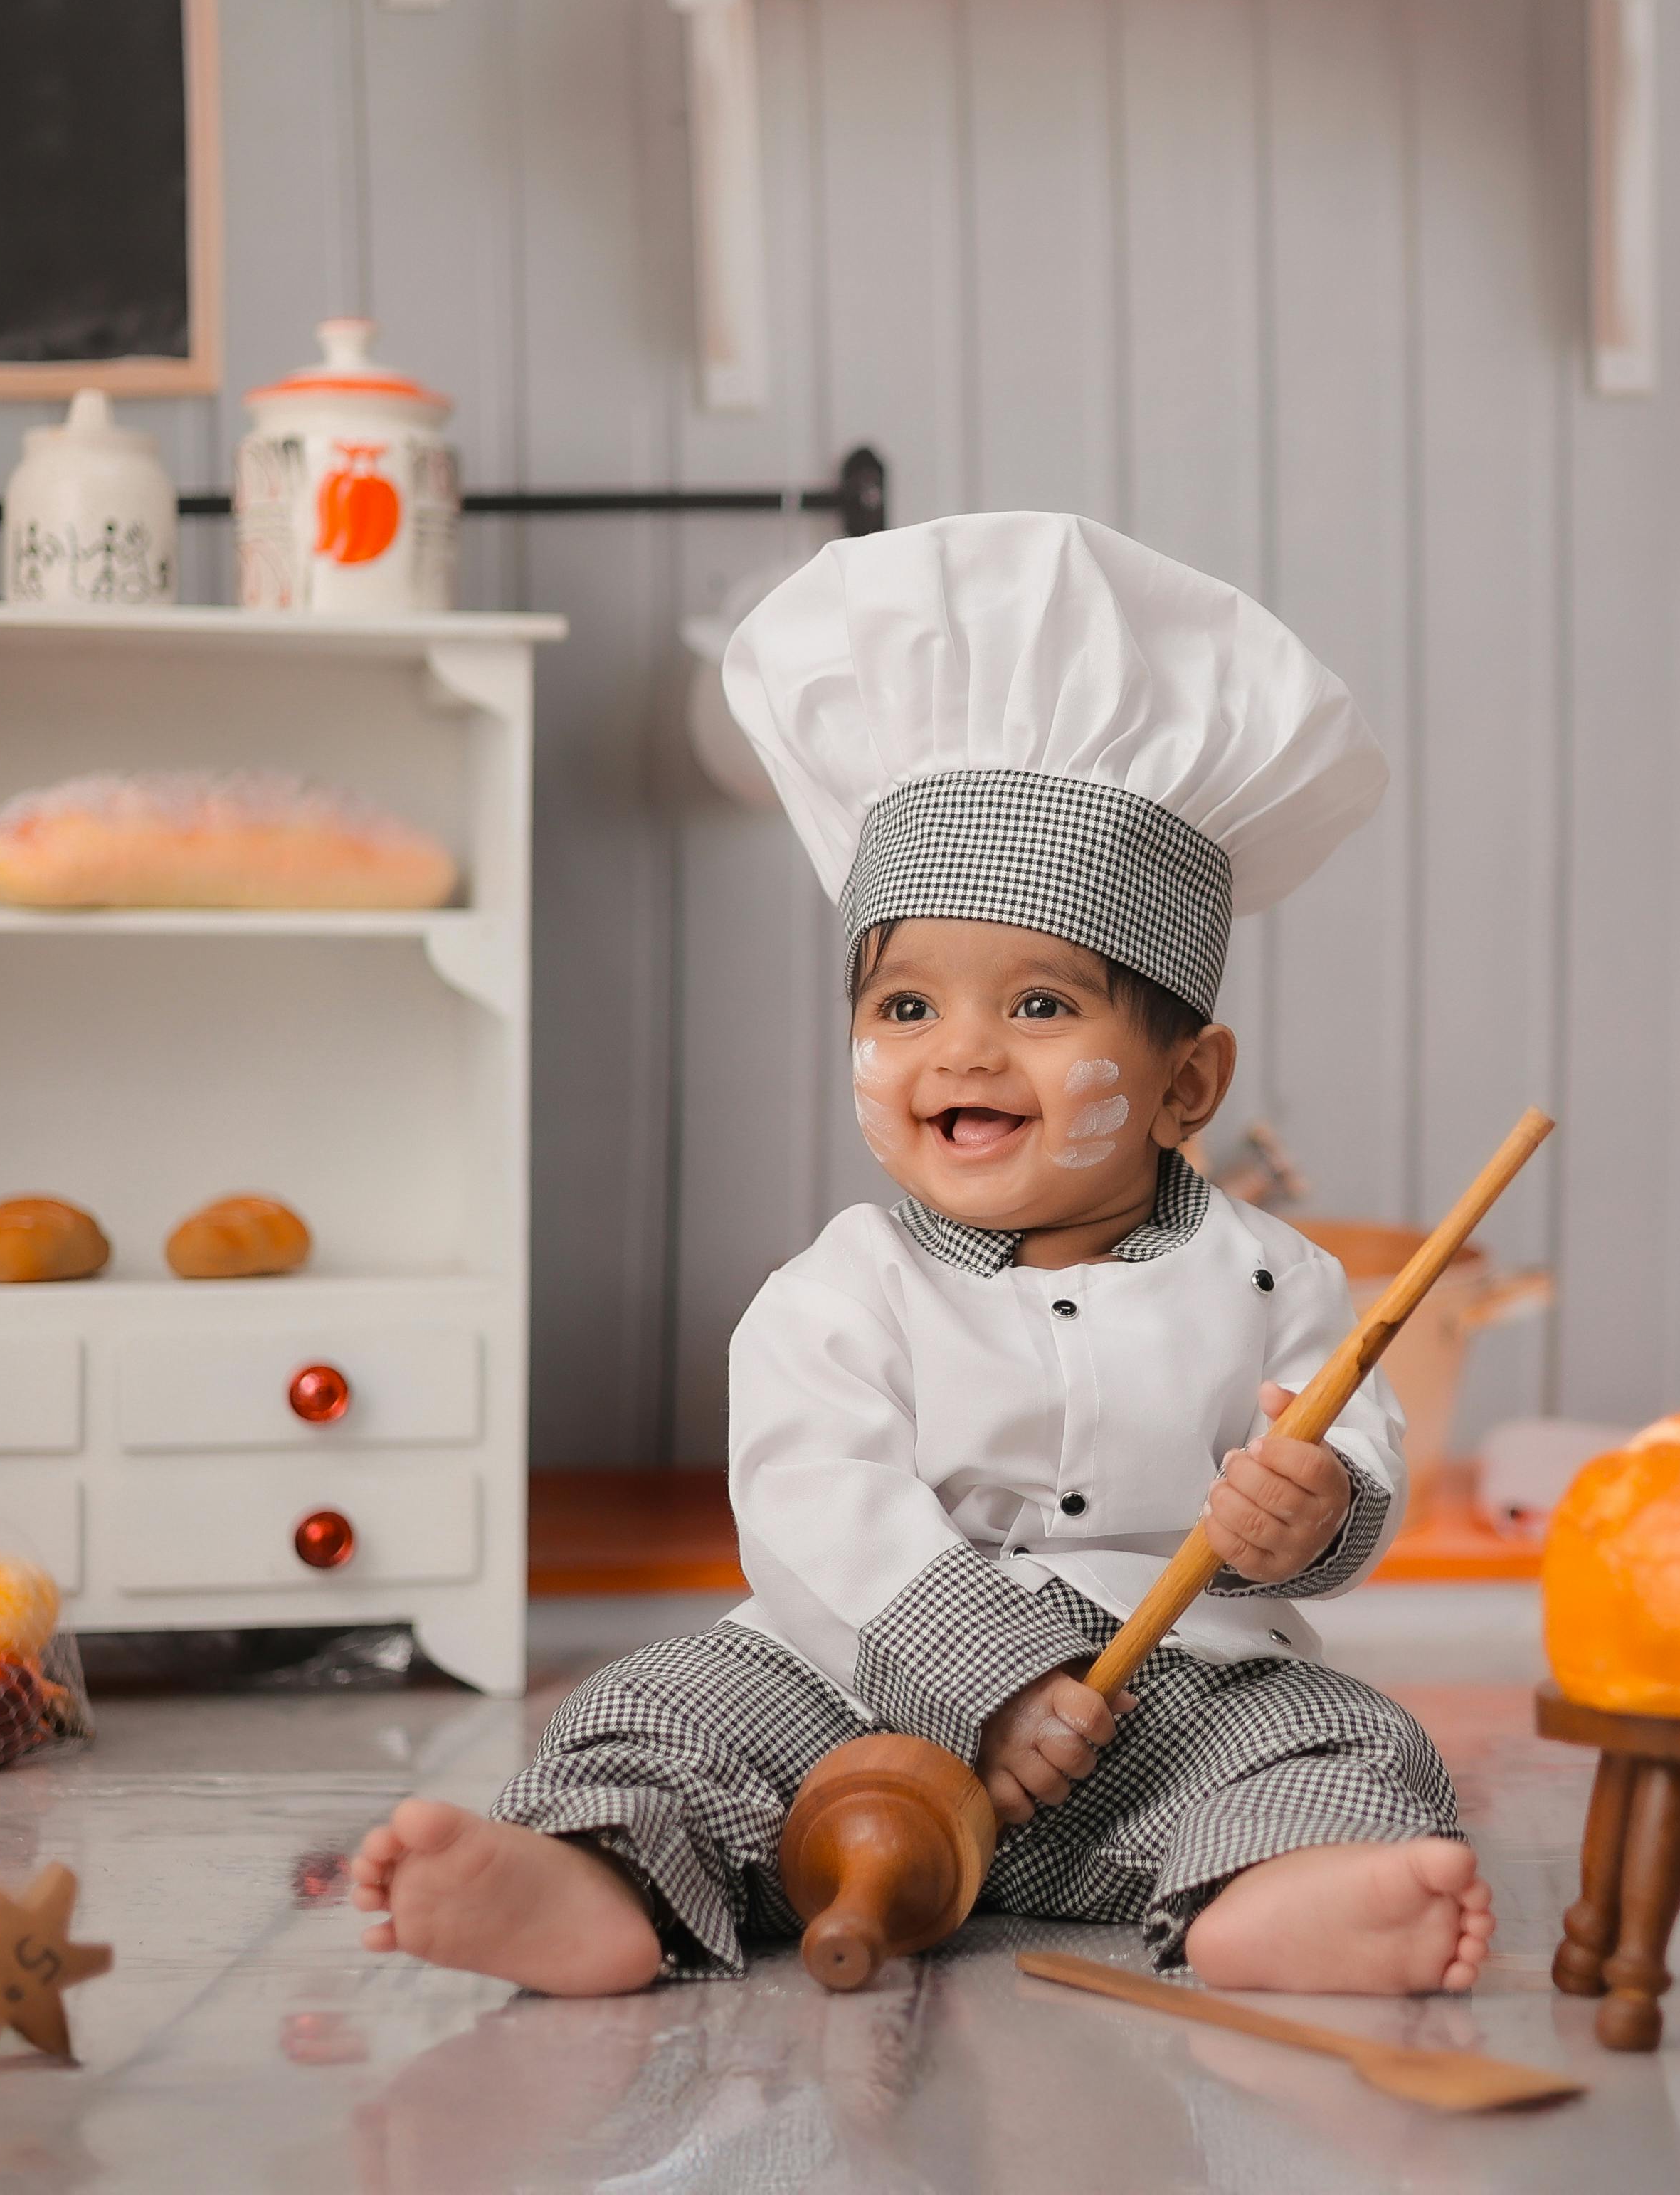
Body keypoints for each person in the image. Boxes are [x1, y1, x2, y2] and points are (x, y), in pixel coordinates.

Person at [351, 512, 1491, 1995]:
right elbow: (819, 1506)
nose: (960, 1051)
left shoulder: (1279, 1281)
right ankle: (595, 1879)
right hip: (853, 1705)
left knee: (1353, 1741)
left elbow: (1355, 1439)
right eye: (904, 1011)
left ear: (1186, 1083)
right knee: (654, 1708)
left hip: (1177, 1708)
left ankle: (1275, 1898)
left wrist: (1313, 1509)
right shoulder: (837, 1296)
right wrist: (993, 1679)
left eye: (1036, 1008)